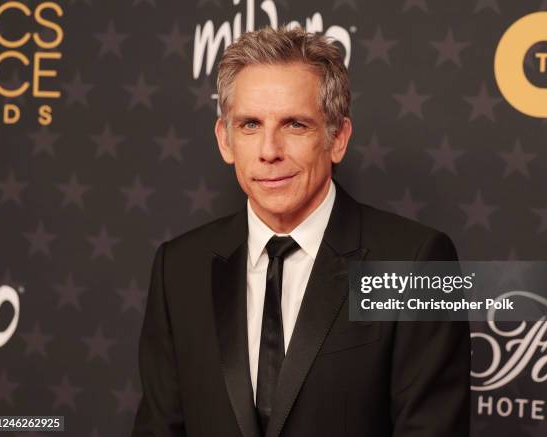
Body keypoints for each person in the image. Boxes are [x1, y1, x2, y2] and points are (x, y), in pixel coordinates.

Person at [132, 25, 470, 437]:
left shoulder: (414, 262)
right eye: (250, 124)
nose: (269, 151)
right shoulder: (179, 267)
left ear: (338, 138)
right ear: (225, 140)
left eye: (295, 125)